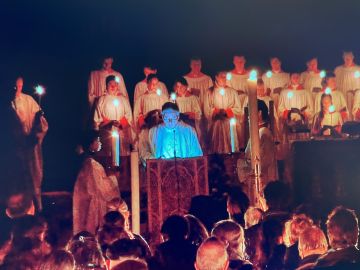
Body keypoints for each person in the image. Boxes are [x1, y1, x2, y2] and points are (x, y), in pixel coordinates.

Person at [11, 76, 48, 211]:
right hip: (15, 148)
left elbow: (42, 124)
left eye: (19, 86)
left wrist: (37, 123)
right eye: (14, 87)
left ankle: (37, 210)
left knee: (34, 178)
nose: (16, 89)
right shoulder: (6, 103)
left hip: (31, 147)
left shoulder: (29, 100)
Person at [73, 130, 120, 234]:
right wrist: (114, 177)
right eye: (98, 140)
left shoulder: (89, 162)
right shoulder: (91, 164)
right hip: (92, 205)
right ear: (90, 144)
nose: (100, 142)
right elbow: (104, 189)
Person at [94, 75, 134, 156]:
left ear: (118, 86)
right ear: (106, 86)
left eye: (115, 84)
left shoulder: (123, 99)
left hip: (121, 133)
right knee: (109, 156)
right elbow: (97, 119)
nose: (113, 86)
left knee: (121, 156)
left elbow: (129, 116)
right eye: (110, 84)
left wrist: (120, 124)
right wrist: (109, 123)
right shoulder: (102, 100)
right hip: (107, 134)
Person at [204, 71, 243, 153]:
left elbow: (239, 109)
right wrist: (216, 111)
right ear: (216, 77)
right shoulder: (209, 92)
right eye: (222, 77)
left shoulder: (232, 92)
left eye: (225, 77)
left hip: (229, 124)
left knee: (230, 147)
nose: (224, 79)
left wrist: (227, 111)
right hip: (216, 125)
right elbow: (207, 110)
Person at [241, 100, 278, 184]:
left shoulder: (264, 133)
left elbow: (264, 162)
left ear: (259, 113)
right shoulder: (258, 132)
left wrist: (242, 165)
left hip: (262, 181)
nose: (248, 117)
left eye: (250, 113)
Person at [334, 51, 360, 119]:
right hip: (343, 94)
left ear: (353, 58)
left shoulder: (358, 69)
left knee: (354, 110)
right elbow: (334, 82)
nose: (348, 60)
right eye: (346, 58)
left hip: (354, 96)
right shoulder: (338, 70)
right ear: (343, 58)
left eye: (350, 58)